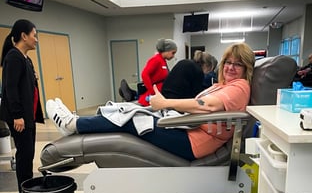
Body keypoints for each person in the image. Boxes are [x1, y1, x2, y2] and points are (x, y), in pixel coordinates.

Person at [46, 42, 255, 161]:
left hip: (194, 142)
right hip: (187, 128)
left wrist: (165, 104)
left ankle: (73, 124)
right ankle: (79, 122)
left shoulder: (239, 87)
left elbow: (207, 105)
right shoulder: (224, 85)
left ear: (247, 68)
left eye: (237, 64)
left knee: (133, 120)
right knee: (131, 110)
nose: (230, 67)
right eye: (227, 62)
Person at [0, 19, 44, 193]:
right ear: (24, 36)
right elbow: (10, 89)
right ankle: (23, 192)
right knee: (24, 154)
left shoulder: (26, 59)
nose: (36, 39)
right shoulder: (13, 57)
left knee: (28, 154)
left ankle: (28, 186)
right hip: (19, 117)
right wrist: (17, 116)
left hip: (29, 115)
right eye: (34, 35)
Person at [138, 38, 177, 106]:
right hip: (152, 97)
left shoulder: (163, 61)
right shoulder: (156, 60)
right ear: (166, 50)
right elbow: (144, 74)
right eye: (173, 53)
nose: (173, 56)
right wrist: (153, 92)